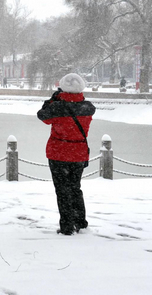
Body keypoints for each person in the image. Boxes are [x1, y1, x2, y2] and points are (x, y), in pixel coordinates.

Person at [37, 73, 96, 235]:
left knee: (62, 190)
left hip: (59, 154)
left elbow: (42, 115)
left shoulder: (57, 107)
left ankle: (67, 226)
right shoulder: (87, 107)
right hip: (79, 153)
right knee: (75, 188)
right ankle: (80, 221)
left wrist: (52, 99)